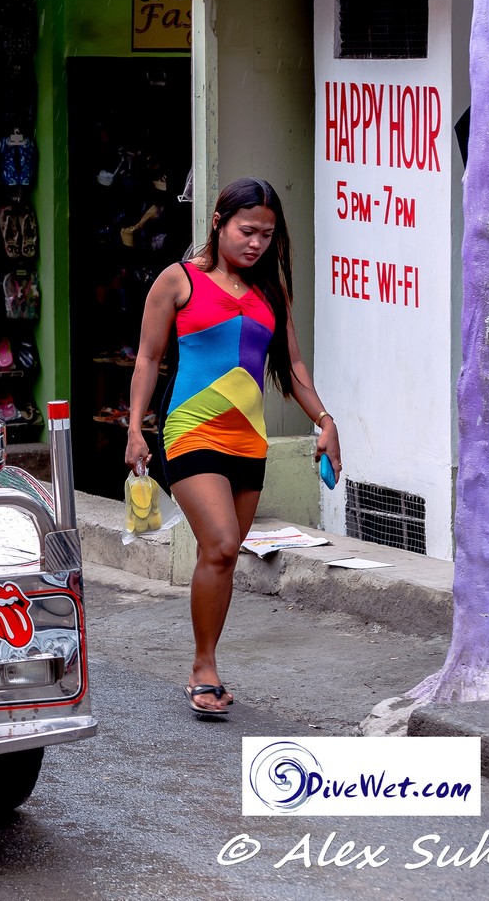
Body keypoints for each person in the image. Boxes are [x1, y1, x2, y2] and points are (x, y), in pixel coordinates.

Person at [125, 178, 341, 719]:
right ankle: (203, 667)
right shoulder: (179, 281)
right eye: (247, 231)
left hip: (248, 440)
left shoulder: (272, 292)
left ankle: (209, 660)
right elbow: (148, 359)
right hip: (190, 430)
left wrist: (325, 420)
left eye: (267, 235)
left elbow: (292, 367)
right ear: (219, 221)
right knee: (221, 544)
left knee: (219, 560)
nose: (257, 244)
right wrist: (134, 429)